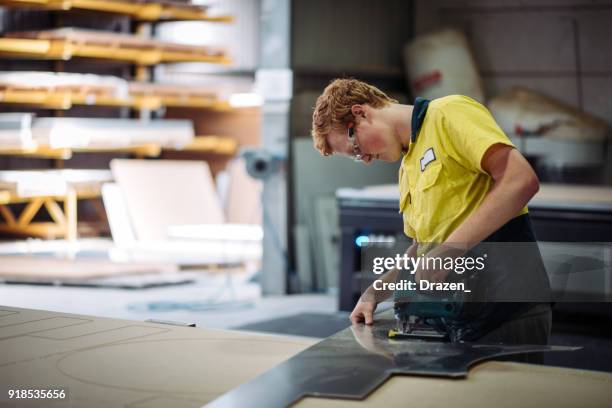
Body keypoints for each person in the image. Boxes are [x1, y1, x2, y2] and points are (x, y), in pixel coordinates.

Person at [311, 78, 551, 344]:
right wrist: (375, 292)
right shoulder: (407, 169)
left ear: (361, 113)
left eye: (356, 148)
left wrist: (449, 249)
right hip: (464, 316)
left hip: (509, 308)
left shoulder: (448, 114)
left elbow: (520, 180)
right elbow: (423, 250)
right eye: (357, 157)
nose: (365, 159)